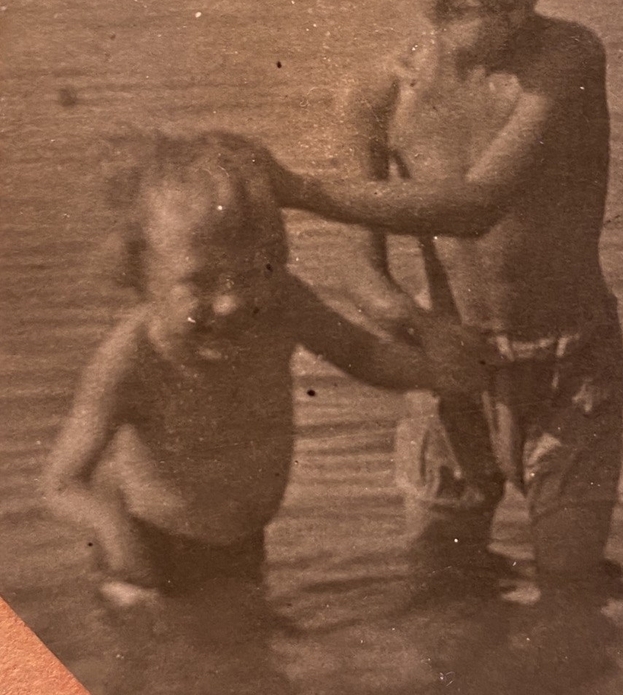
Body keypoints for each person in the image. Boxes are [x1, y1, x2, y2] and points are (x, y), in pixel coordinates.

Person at [272, 0, 623, 664]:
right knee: (441, 587)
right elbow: (362, 273)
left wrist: (302, 190)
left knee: (570, 589)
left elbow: (479, 202)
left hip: (566, 364)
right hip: (446, 368)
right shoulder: (376, 97)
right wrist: (420, 327)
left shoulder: (566, 60)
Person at [43, 130, 486, 642]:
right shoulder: (131, 360)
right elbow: (62, 482)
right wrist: (116, 534)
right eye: (199, 281)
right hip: (146, 556)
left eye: (252, 273)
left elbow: (360, 352)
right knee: (174, 664)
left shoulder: (283, 306)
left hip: (241, 545)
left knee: (249, 658)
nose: (231, 303)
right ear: (141, 274)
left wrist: (435, 372)